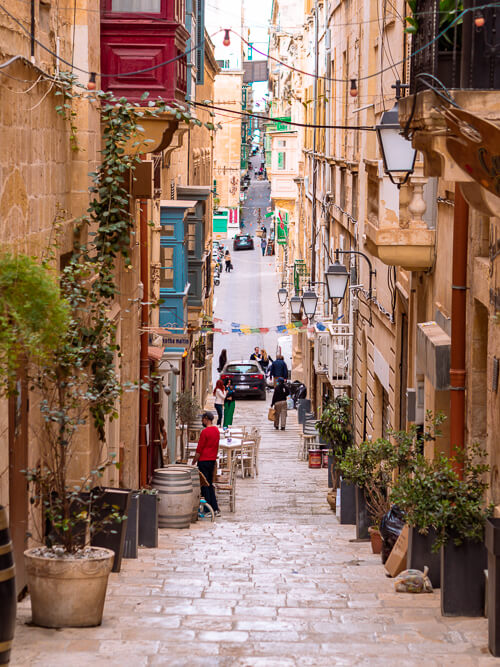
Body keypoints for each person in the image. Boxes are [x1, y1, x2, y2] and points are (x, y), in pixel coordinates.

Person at [192, 412, 220, 517]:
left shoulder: (205, 432)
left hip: (203, 461)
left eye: (202, 419)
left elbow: (199, 449)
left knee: (204, 485)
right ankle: (215, 508)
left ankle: (209, 510)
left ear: (206, 419)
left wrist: (194, 461)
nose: (201, 421)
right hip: (212, 460)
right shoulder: (216, 431)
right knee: (209, 484)